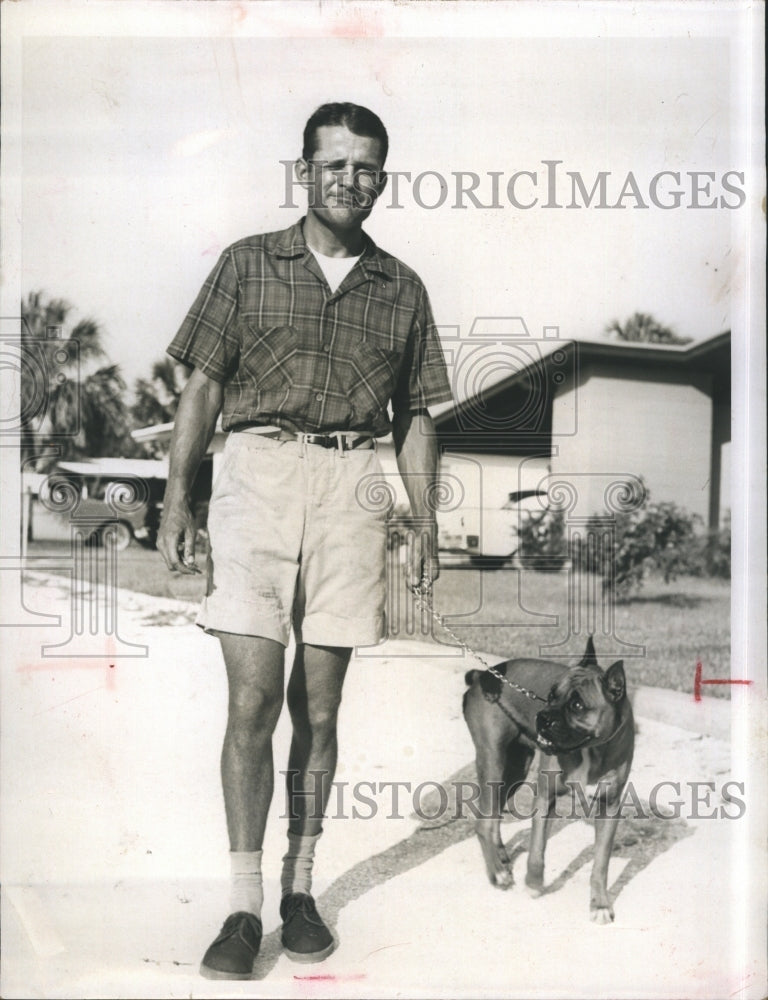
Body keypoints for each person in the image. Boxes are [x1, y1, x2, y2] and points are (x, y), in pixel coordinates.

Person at [158, 102, 453, 980]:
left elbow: (416, 417)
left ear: (382, 180)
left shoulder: (403, 287)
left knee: (319, 708)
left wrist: (426, 520)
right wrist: (178, 499)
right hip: (255, 475)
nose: (350, 181)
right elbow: (203, 392)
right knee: (251, 702)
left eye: (366, 168)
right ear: (304, 171)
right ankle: (244, 905)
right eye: (335, 165)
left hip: (351, 490)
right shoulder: (247, 264)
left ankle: (300, 886)